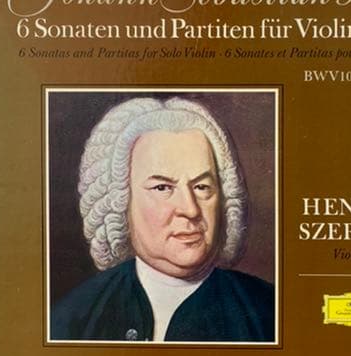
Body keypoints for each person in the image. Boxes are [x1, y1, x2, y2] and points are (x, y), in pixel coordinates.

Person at [51, 95, 275, 342]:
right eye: (162, 188)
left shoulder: (269, 313)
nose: (190, 210)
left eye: (201, 187)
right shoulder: (74, 316)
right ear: (120, 201)